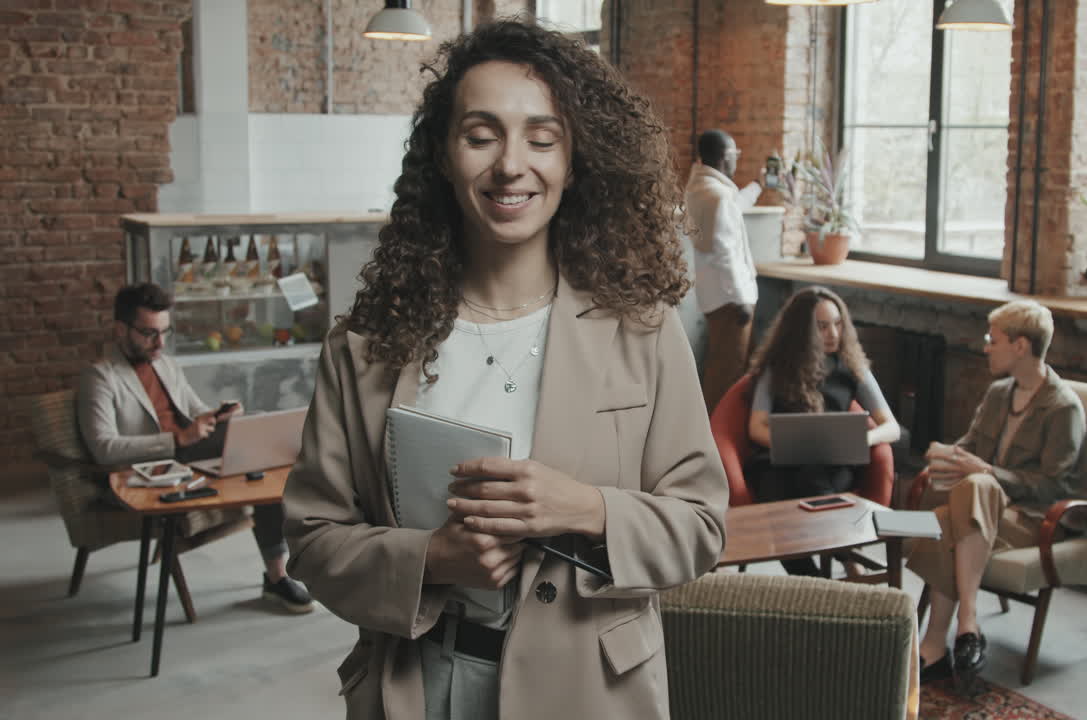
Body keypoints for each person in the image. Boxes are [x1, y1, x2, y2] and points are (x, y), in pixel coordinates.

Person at [282, 21, 727, 720]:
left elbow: (701, 525)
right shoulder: (366, 347)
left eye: (542, 139)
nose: (511, 165)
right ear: (443, 154)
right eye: (482, 134)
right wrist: (430, 559)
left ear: (574, 160)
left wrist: (587, 508)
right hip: (423, 682)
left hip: (592, 689)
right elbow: (311, 539)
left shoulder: (642, 330)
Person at [77, 282, 314, 613]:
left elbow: (196, 411)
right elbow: (103, 448)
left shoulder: (165, 364)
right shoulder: (100, 377)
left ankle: (277, 575)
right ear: (121, 329)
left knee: (264, 452)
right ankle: (278, 576)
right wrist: (177, 440)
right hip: (149, 469)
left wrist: (220, 415)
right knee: (260, 459)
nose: (160, 343)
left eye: (165, 332)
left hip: (191, 456)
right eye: (149, 333)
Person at [908, 300, 1085, 692]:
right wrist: (944, 454)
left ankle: (957, 625)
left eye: (994, 340)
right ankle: (945, 643)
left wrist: (987, 473)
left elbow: (1052, 486)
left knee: (972, 491)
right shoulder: (998, 394)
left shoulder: (1062, 408)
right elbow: (969, 446)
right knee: (951, 512)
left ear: (1021, 346)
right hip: (983, 515)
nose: (986, 347)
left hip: (1033, 519)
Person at [743, 286, 901, 576]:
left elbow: (892, 428)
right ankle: (831, 569)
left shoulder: (853, 367)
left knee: (805, 479)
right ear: (801, 331)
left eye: (838, 325)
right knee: (776, 495)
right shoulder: (776, 368)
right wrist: (794, 446)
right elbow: (756, 427)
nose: (833, 334)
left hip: (834, 465)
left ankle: (825, 577)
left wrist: (863, 439)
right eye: (822, 326)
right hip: (779, 463)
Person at [684, 129, 763, 414]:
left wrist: (757, 187)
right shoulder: (718, 197)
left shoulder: (700, 189)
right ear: (723, 156)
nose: (736, 160)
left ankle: (723, 432)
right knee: (727, 376)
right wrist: (740, 298)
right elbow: (725, 253)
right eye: (735, 154)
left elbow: (732, 211)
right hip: (732, 300)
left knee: (727, 367)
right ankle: (715, 437)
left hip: (712, 296)